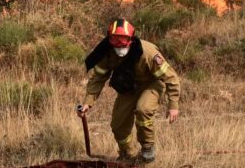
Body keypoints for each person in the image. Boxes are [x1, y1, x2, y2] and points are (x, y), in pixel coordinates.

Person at [77, 18, 180, 164]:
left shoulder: (148, 52)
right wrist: (87, 103)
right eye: (114, 39)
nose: (119, 44)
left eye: (123, 39)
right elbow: (98, 78)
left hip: (150, 85)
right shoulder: (107, 53)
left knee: (142, 110)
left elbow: (171, 78)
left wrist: (173, 106)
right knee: (118, 125)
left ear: (131, 39)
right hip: (128, 89)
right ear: (109, 39)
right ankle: (128, 155)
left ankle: (147, 148)